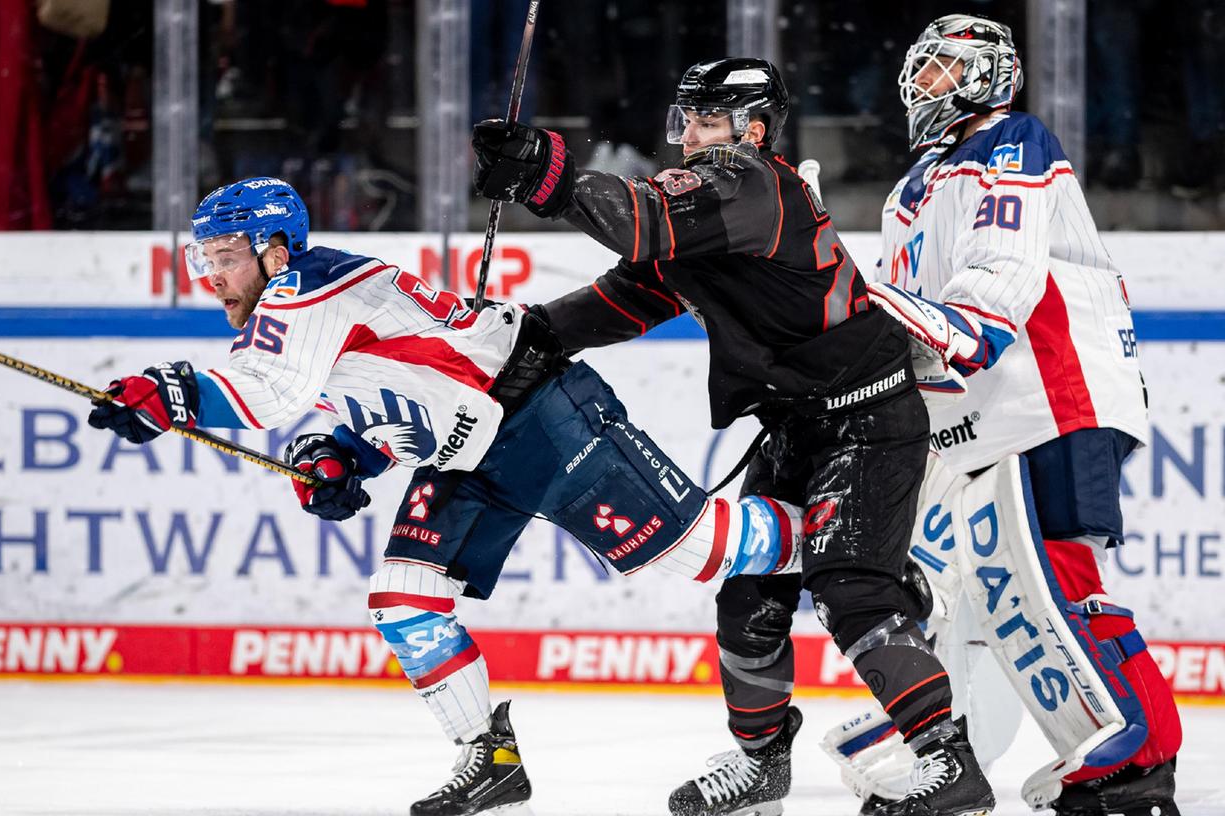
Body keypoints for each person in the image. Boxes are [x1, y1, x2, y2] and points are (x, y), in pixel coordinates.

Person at [85, 176, 810, 816]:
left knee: (695, 552)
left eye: (225, 256)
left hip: (542, 419)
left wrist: (170, 392)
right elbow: (396, 402)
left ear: (276, 248)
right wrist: (342, 458)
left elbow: (268, 393)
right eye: (203, 260)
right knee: (404, 596)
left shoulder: (304, 288)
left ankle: (844, 540)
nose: (212, 276)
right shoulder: (306, 304)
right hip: (471, 450)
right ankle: (489, 757)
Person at [471, 58, 993, 816]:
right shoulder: (708, 211)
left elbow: (634, 219)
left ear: (750, 130)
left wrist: (543, 174)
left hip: (867, 418)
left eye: (706, 118)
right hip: (795, 424)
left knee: (850, 587)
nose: (687, 135)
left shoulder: (751, 183)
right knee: (747, 600)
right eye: (683, 118)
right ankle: (759, 763)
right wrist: (532, 338)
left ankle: (950, 765)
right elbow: (629, 295)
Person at [851, 14, 1183, 816]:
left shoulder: (1009, 139)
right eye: (920, 68)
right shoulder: (910, 188)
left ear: (984, 75)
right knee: (975, 599)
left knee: (1059, 581)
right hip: (973, 419)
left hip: (1051, 394)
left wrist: (954, 328)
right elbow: (908, 315)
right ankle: (950, 768)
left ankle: (1138, 758)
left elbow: (996, 279)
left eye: (940, 69)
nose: (919, 83)